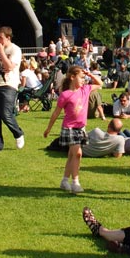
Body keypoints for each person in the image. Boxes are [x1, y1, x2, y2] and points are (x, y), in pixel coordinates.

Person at [43, 65, 103, 193]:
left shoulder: (85, 89)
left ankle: (65, 181)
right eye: (81, 78)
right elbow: (56, 113)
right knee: (77, 153)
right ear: (72, 77)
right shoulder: (65, 95)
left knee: (72, 155)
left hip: (80, 128)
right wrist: (48, 129)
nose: (83, 80)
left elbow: (100, 83)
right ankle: (75, 182)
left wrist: (89, 74)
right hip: (69, 128)